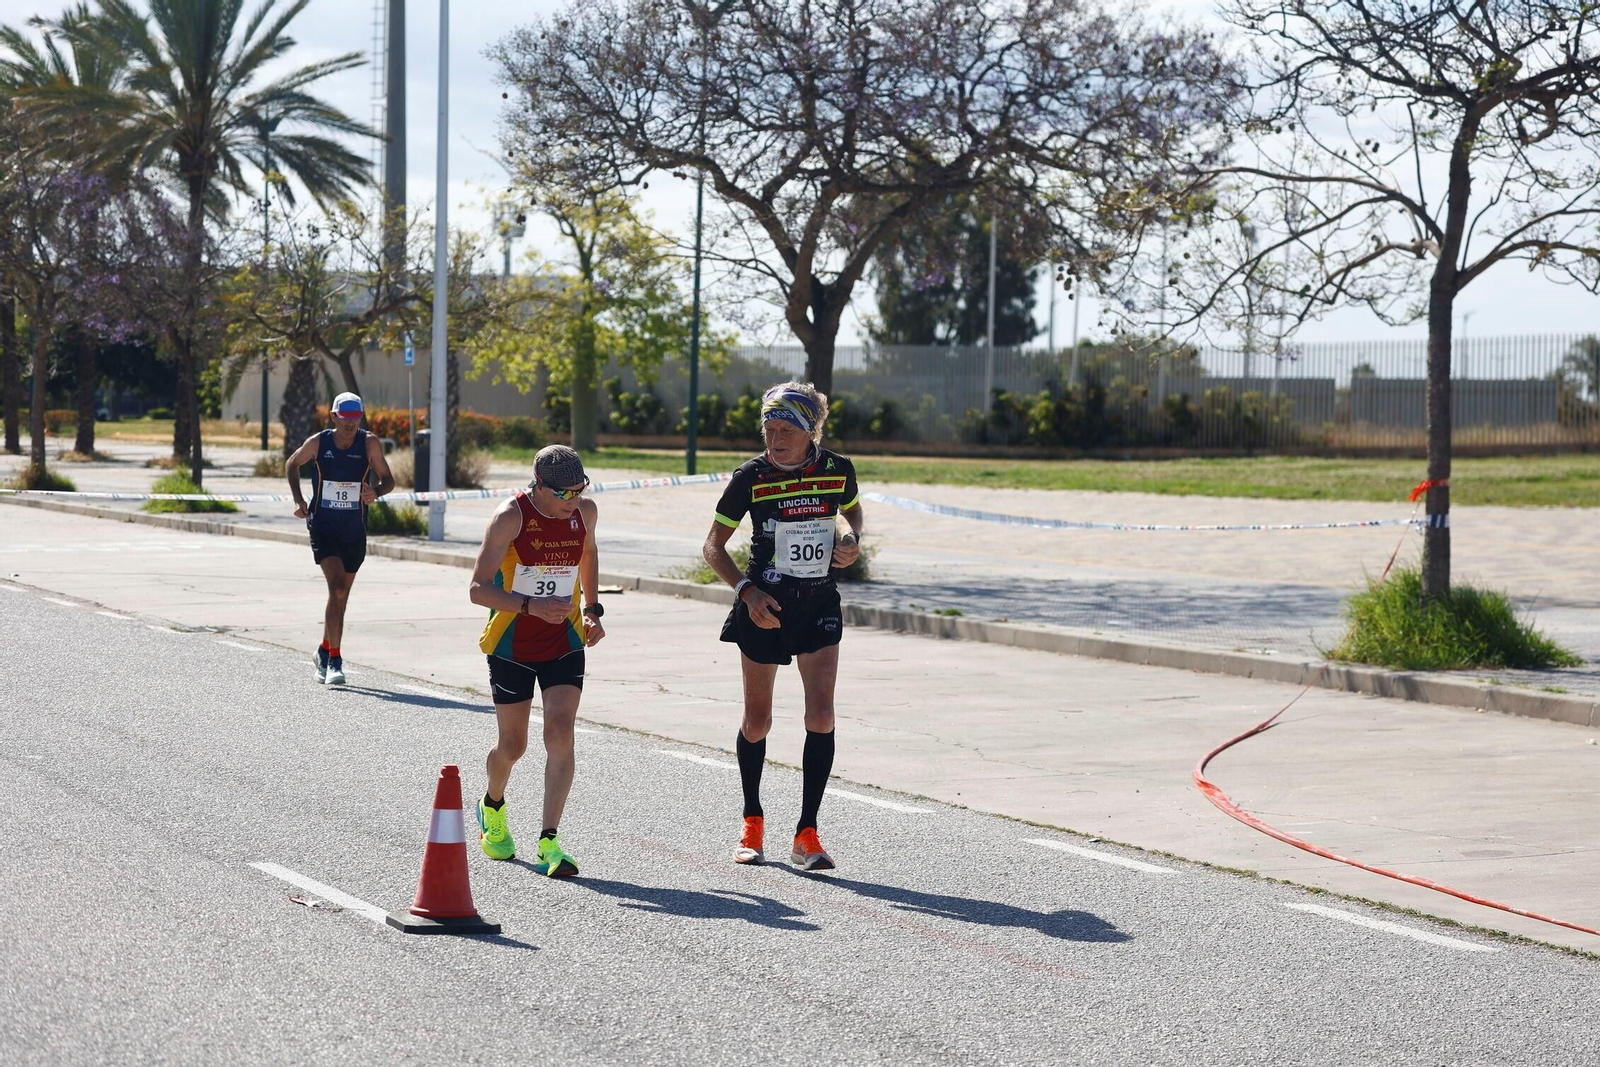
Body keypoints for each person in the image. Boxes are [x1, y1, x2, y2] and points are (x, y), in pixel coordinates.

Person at [702, 382, 864, 871]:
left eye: (784, 430)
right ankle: (752, 820)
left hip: (818, 603)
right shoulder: (749, 476)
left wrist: (851, 539)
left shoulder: (837, 469)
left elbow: (850, 514)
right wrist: (745, 592)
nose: (773, 439)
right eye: (768, 429)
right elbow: (712, 546)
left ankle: (807, 833)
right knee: (759, 721)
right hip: (765, 604)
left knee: (822, 715)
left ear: (810, 429)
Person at [468, 444, 605, 877]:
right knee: (514, 746)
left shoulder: (585, 512)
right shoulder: (511, 517)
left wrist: (592, 609)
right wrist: (527, 606)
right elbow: (477, 589)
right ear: (539, 486)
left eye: (579, 490)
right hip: (512, 645)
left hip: (564, 640)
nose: (573, 501)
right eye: (563, 494)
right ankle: (492, 805)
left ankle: (550, 840)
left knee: (561, 733)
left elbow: (588, 554)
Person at [287, 392, 394, 687]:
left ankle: (323, 649)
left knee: (341, 596)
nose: (350, 425)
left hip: (355, 529)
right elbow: (292, 464)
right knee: (336, 589)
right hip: (323, 525)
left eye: (355, 419)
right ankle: (335, 658)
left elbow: (388, 479)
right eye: (345, 420)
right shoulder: (319, 442)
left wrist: (376, 492)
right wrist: (299, 501)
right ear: (334, 417)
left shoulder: (368, 443)